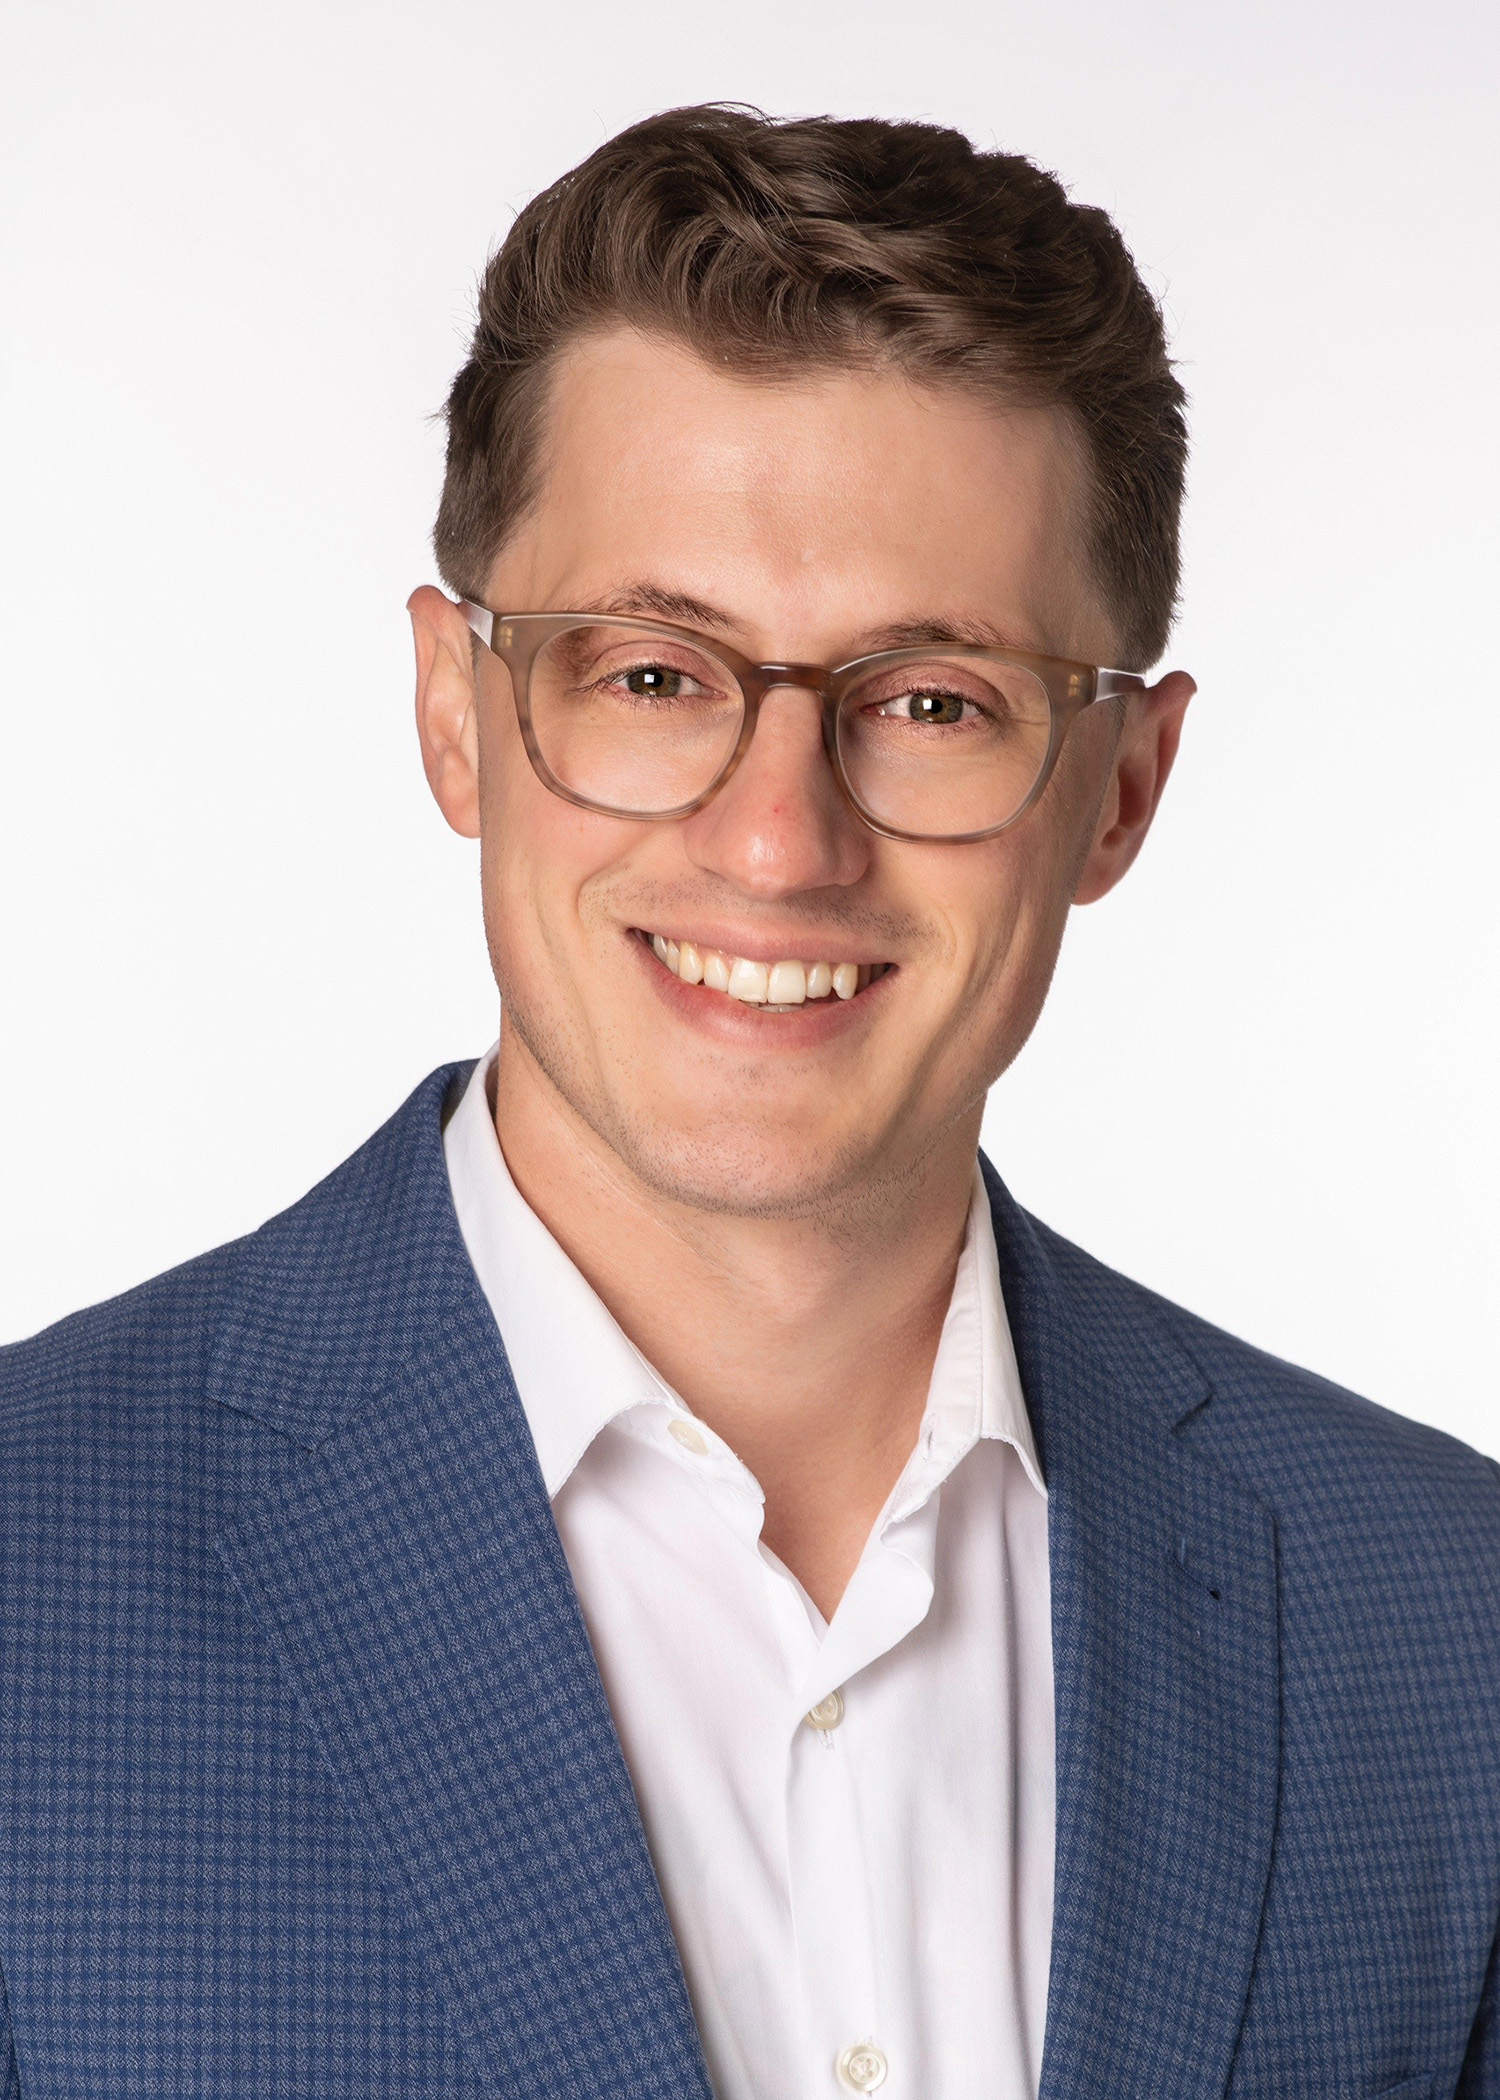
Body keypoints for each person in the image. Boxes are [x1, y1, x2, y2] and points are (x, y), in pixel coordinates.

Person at [0, 103, 1495, 2100]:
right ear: (456, 714)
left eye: (934, 701)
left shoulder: (1445, 1627)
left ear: (1122, 792)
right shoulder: (29, 1569)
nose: (779, 844)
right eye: (650, 675)